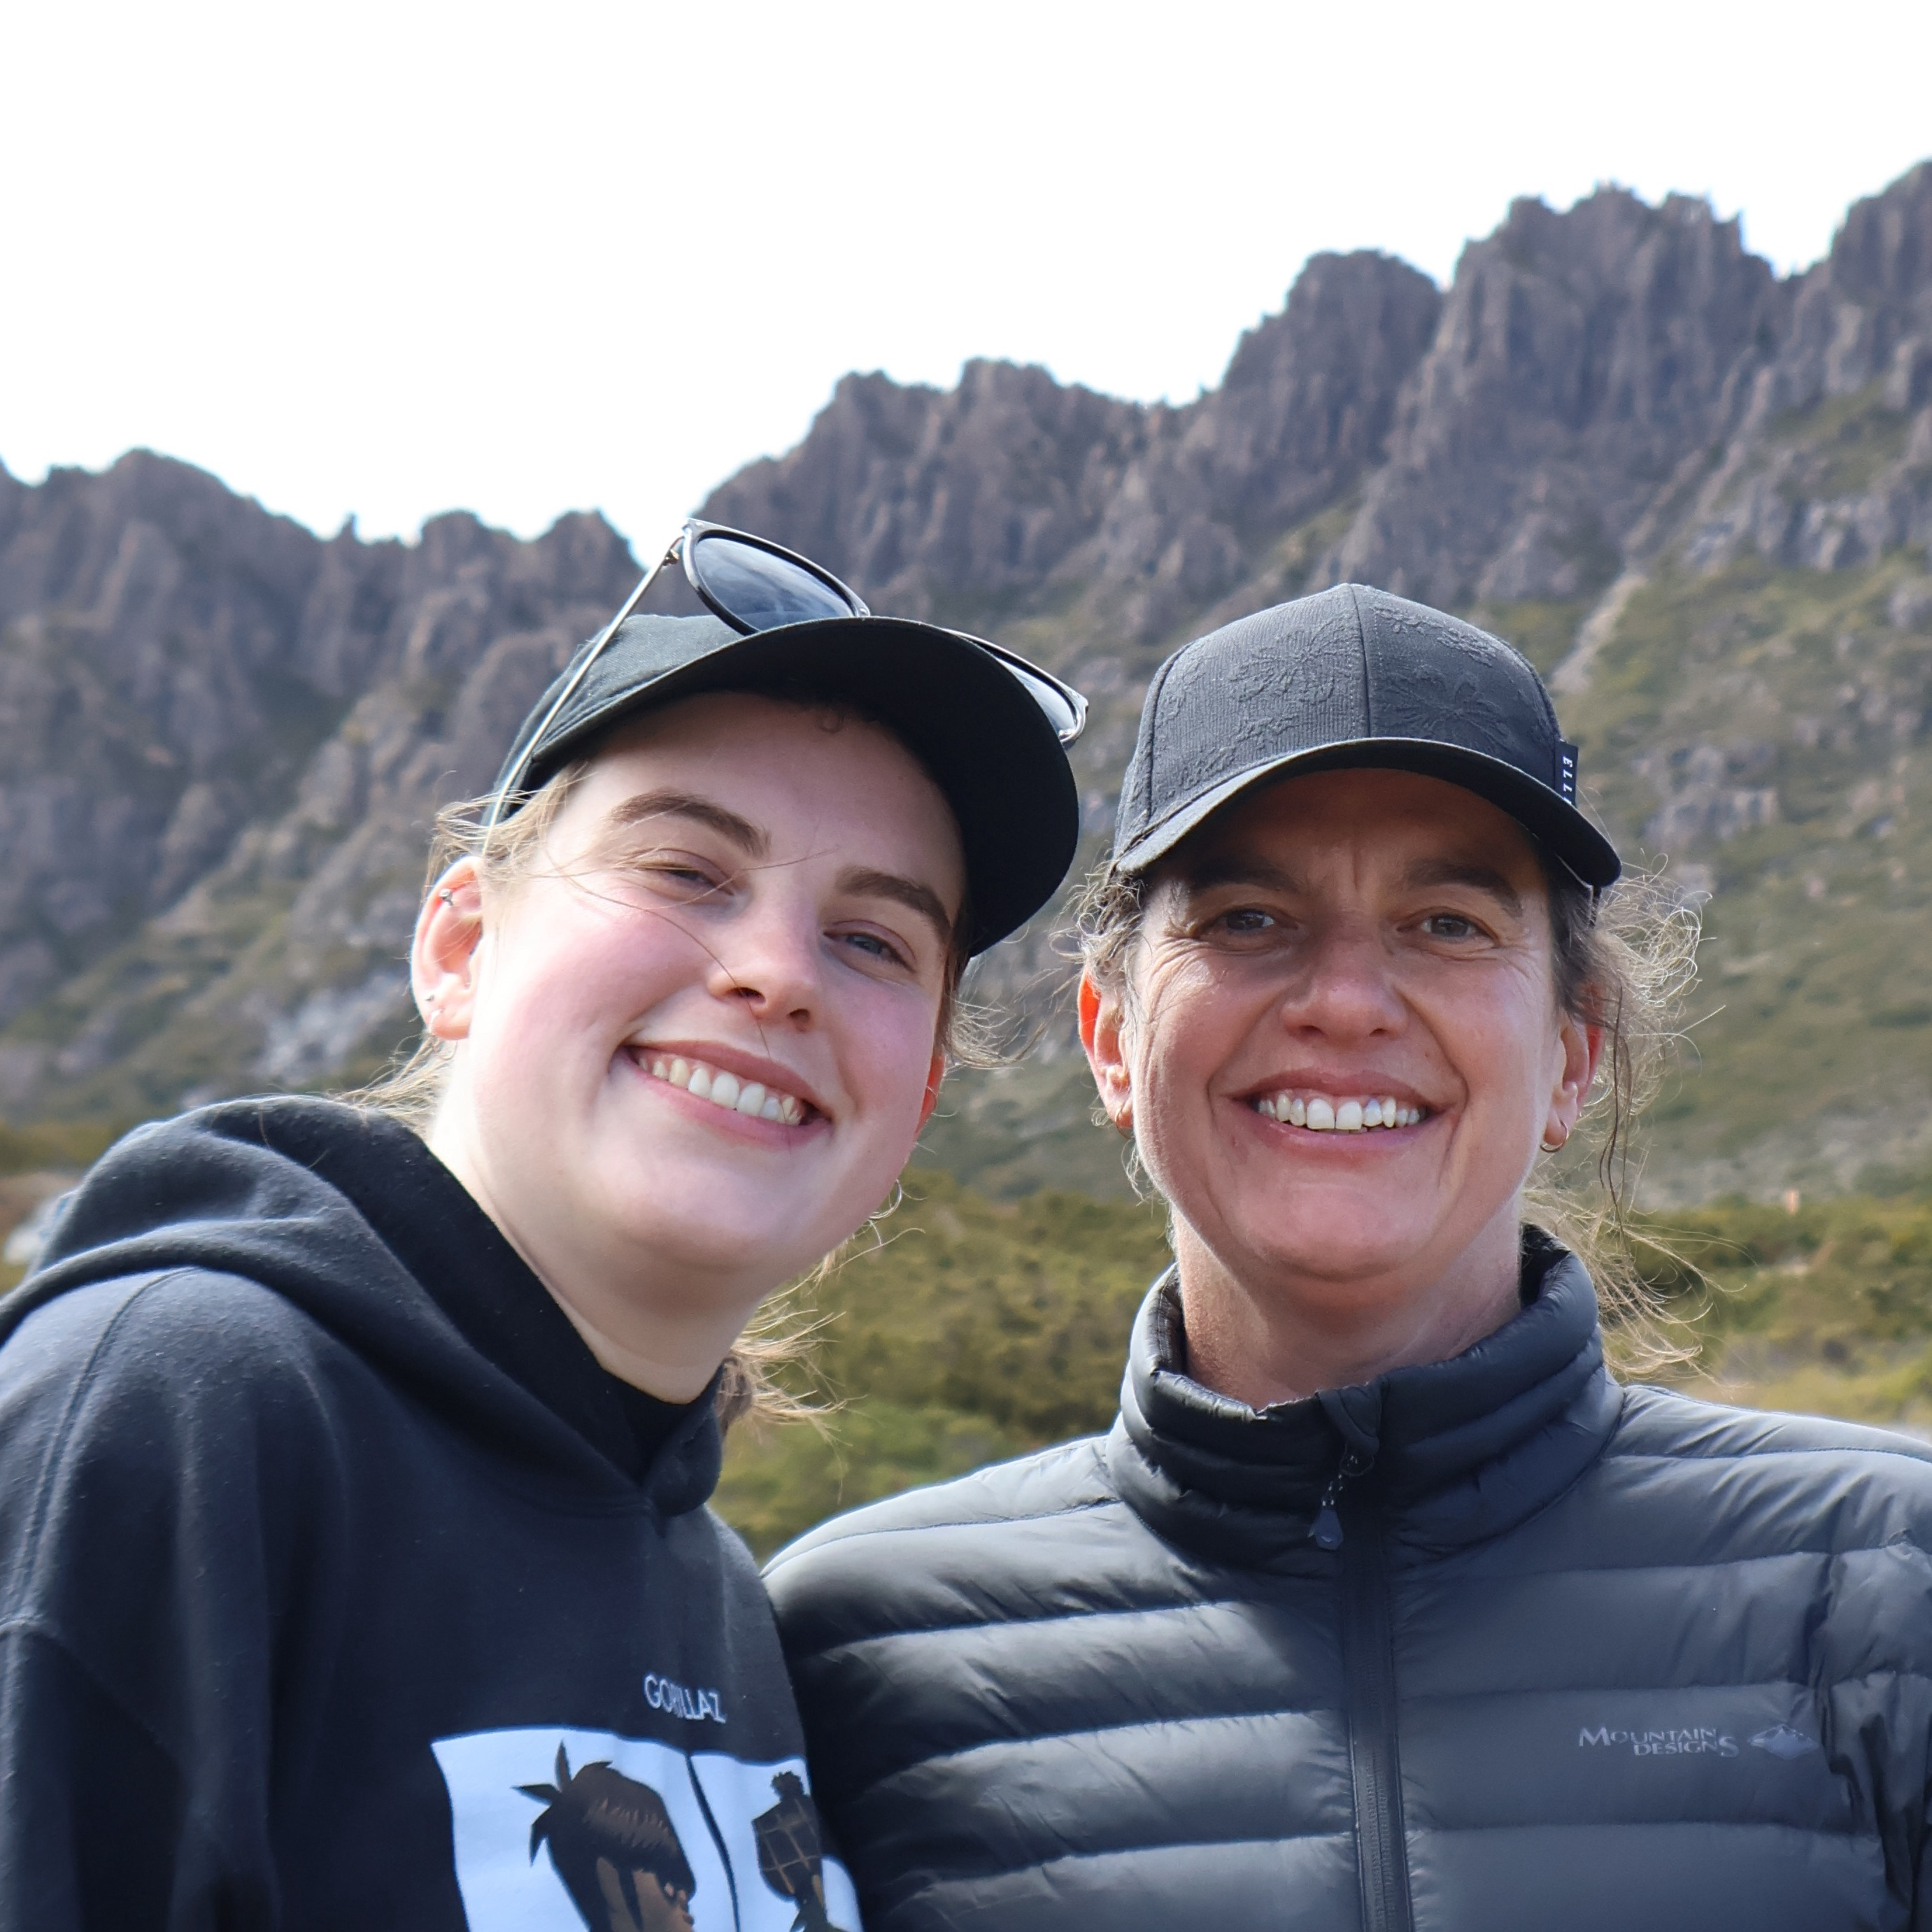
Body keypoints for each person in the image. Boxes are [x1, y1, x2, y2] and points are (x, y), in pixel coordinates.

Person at [765, 581, 1932, 1932]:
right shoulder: (850, 1648)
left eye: (1447, 923)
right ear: (1111, 1038)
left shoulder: (1888, 1584)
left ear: (1571, 1053)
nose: (1344, 1000)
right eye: (1246, 917)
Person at [0, 520, 1084, 1929]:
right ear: (459, 946)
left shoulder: (720, 1597)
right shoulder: (173, 1409)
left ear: (921, 1090)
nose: (777, 972)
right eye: (686, 868)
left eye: (874, 939)